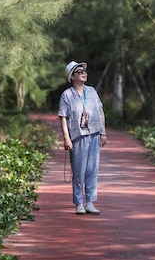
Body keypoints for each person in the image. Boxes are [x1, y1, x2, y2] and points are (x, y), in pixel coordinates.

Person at [58, 61, 107, 215]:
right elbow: (63, 117)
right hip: (78, 136)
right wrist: (66, 138)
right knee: (79, 171)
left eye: (84, 70)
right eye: (79, 71)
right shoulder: (66, 95)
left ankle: (90, 202)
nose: (83, 73)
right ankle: (79, 203)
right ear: (72, 76)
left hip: (93, 133)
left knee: (92, 170)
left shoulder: (91, 91)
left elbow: (100, 112)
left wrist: (103, 132)